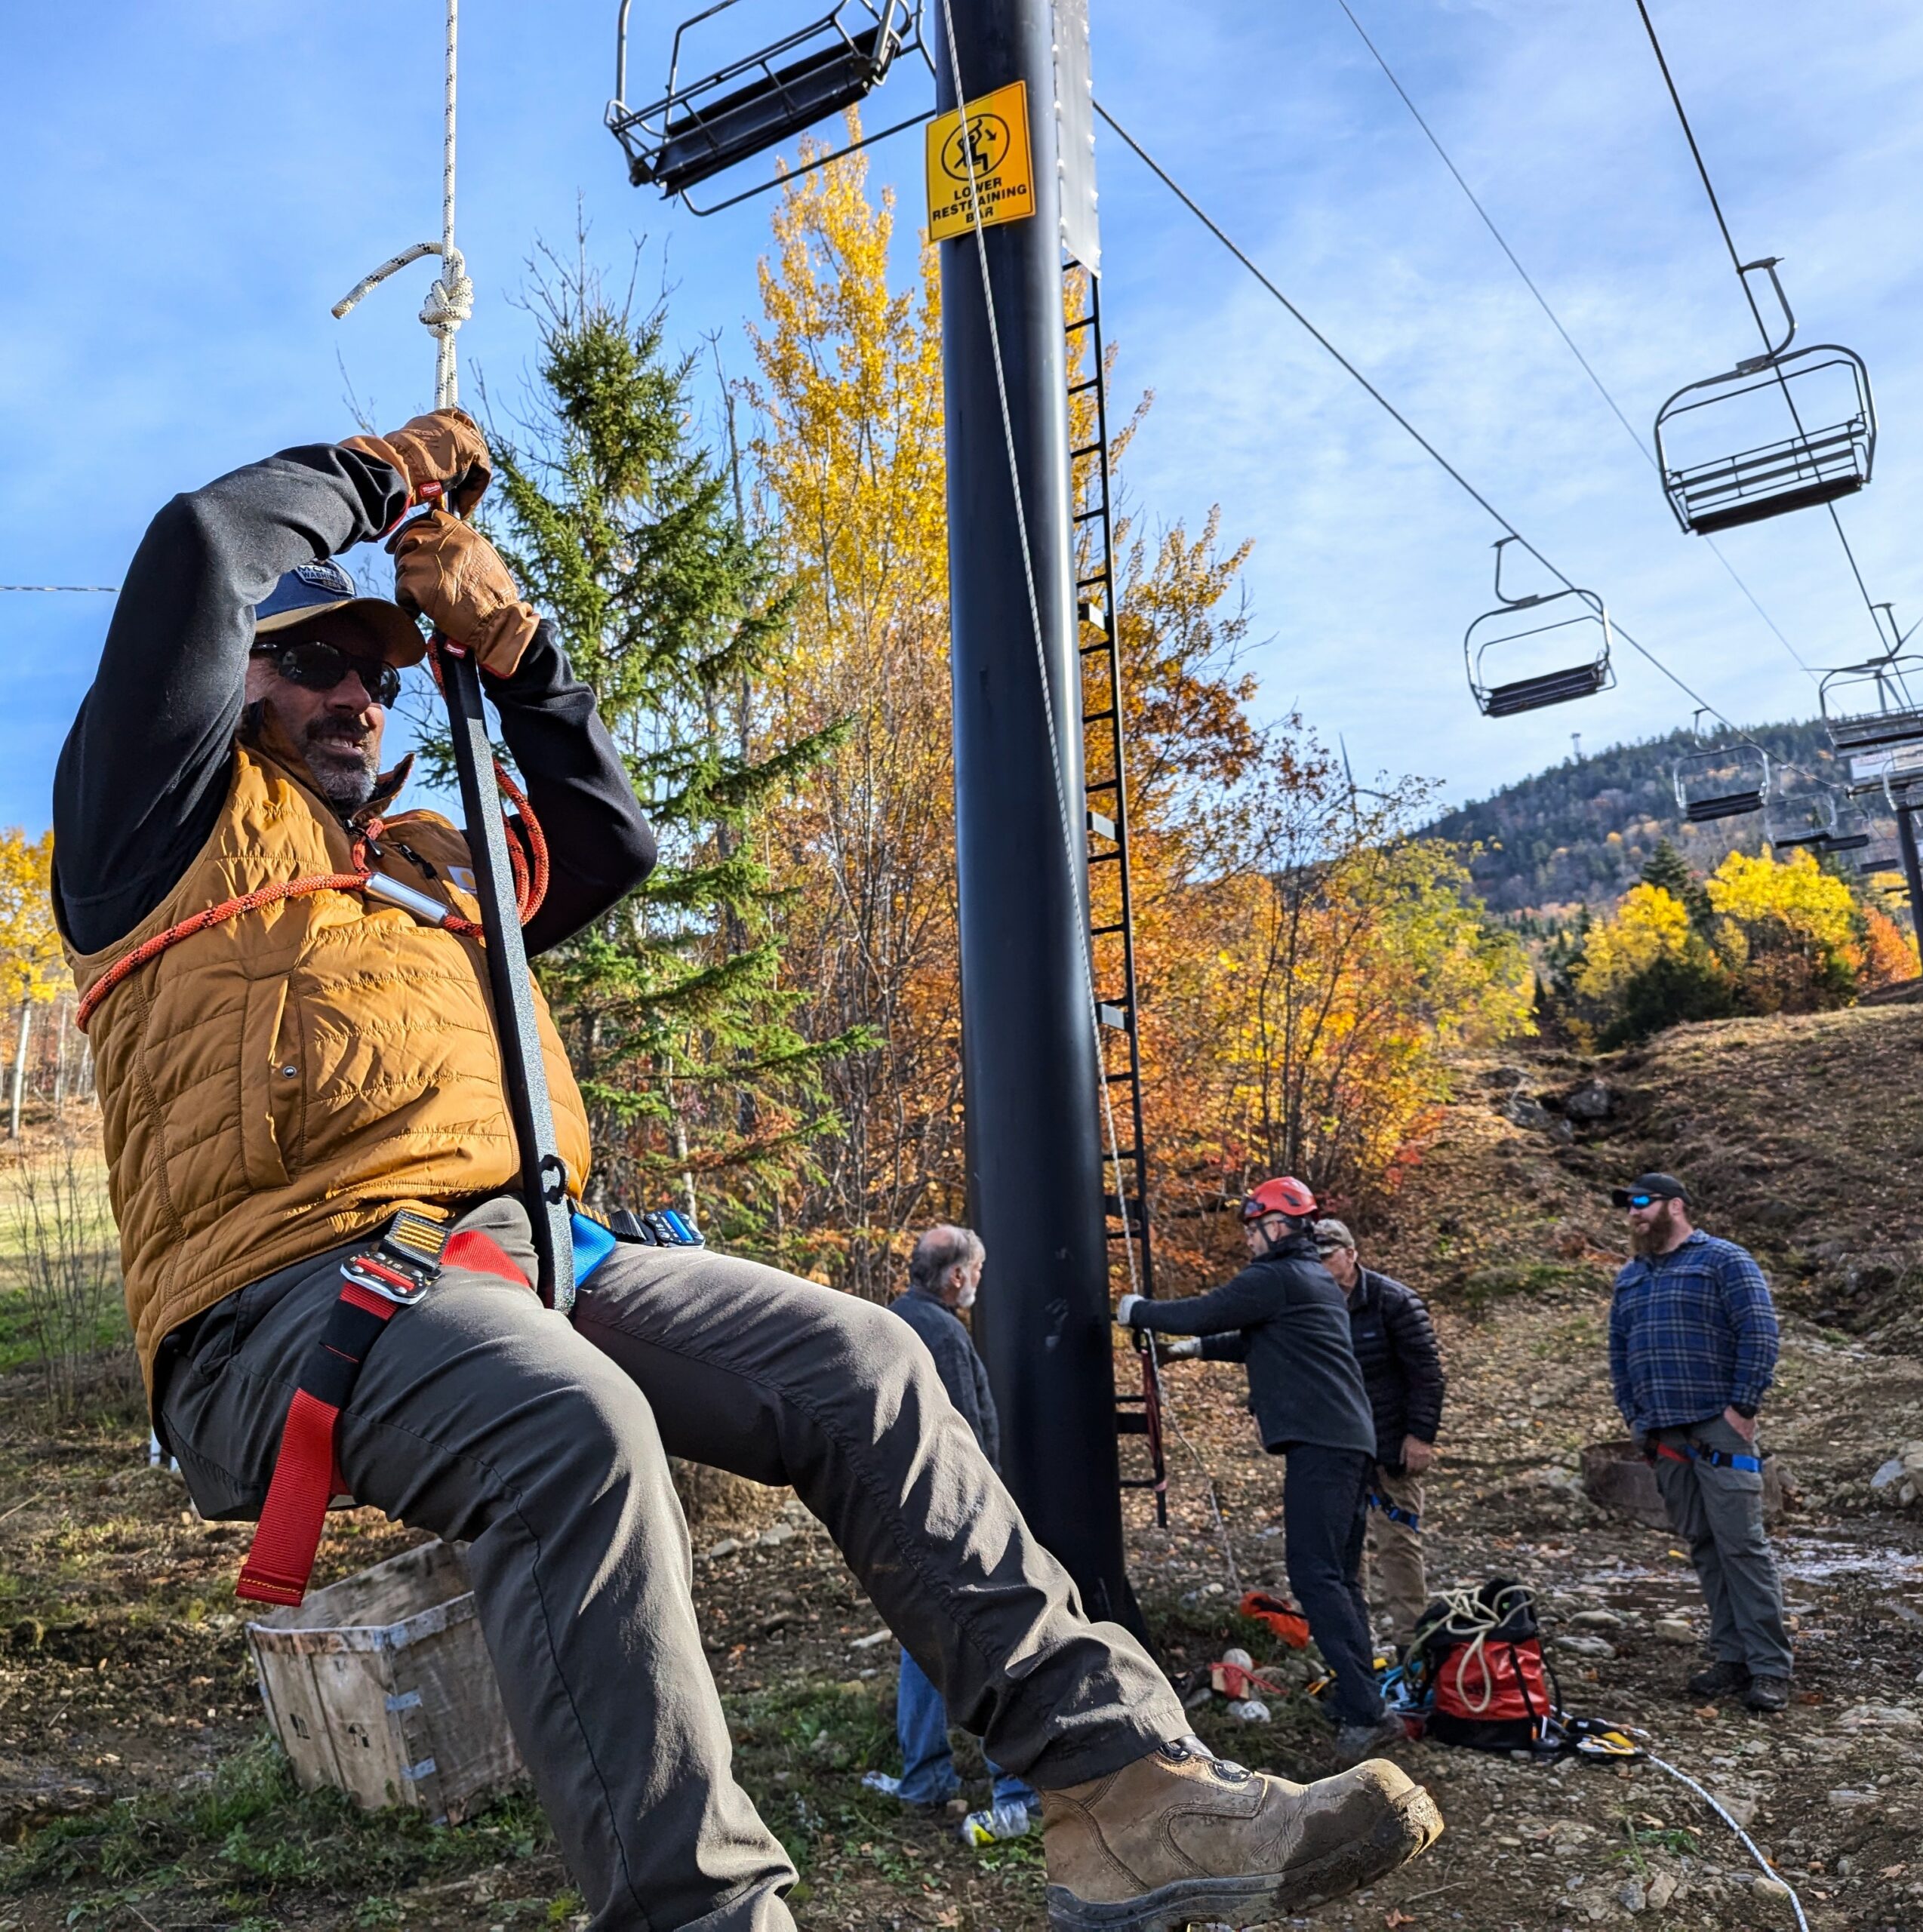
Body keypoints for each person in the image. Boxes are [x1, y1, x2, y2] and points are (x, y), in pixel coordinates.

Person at [55, 415, 1441, 1932]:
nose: (355, 696)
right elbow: (201, 547)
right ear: (232, 683)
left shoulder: (432, 866)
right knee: (564, 1429)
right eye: (314, 662)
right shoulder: (158, 827)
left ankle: (1121, 1790)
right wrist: (393, 474)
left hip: (531, 1256)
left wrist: (514, 651)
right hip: (284, 1294)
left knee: (865, 1362)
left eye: (380, 675)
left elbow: (610, 843)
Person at [1117, 1178, 1405, 1764]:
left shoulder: (1276, 1278)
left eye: (1254, 1228)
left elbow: (1208, 1311)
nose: (1249, 1240)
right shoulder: (1310, 1280)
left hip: (1322, 1446)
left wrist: (1138, 1311)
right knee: (1341, 1579)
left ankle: (1368, 1713)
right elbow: (1260, 1338)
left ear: (1279, 1226)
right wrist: (1193, 1353)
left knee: (1315, 1576)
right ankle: (1362, 1699)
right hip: (1348, 1443)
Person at [864, 1226, 1039, 1846]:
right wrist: (985, 1521)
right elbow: (961, 1437)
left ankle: (925, 1780)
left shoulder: (891, 1321)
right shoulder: (942, 1333)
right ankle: (1016, 1795)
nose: (980, 1283)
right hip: (955, 1518)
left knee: (922, 1643)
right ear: (958, 1275)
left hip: (904, 1515)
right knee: (991, 1641)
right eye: (979, 1270)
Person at [1608, 1173, 1790, 1714]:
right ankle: (1730, 1657)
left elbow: (1759, 1331)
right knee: (1705, 1548)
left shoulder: (1724, 1260)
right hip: (1664, 1432)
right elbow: (1620, 1354)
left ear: (1676, 1206)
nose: (1633, 1213)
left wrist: (1743, 1408)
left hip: (1719, 1424)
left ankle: (1769, 1667)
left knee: (1743, 1546)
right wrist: (1635, 1417)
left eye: (1642, 1202)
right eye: (1628, 1206)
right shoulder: (1630, 1278)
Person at [1312, 1220, 1443, 1648]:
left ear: (1351, 1254)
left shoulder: (1395, 1302)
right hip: (1336, 1448)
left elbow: (1426, 1374)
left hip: (1391, 1445)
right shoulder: (1308, 1305)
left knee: (1399, 1545)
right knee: (1343, 1553)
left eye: (1329, 1254)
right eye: (1315, 1257)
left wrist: (1420, 1436)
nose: (1323, 1264)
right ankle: (1357, 1645)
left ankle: (1412, 1644)